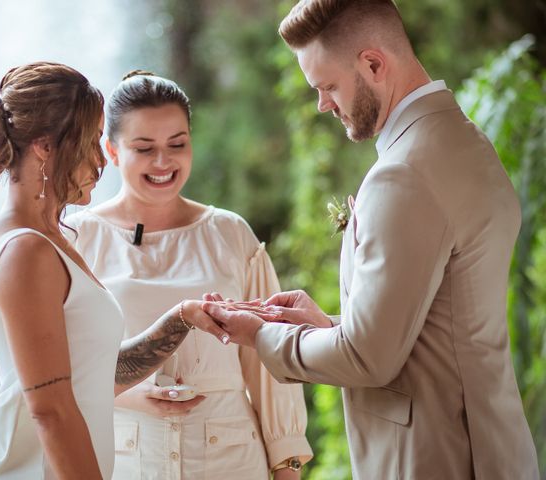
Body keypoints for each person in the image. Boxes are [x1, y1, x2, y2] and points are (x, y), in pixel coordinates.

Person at [202, 1, 540, 479]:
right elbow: (437, 325)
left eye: (328, 86)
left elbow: (367, 358)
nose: (322, 104)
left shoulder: (404, 173)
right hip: (493, 447)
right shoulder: (465, 142)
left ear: (373, 64)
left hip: (434, 456)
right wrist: (325, 326)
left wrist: (261, 335)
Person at [0, 62, 228, 480]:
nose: (102, 160)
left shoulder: (51, 240)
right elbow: (51, 411)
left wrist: (182, 319)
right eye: (92, 142)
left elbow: (95, 374)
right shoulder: (24, 251)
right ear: (44, 146)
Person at [66, 71, 312, 480]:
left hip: (232, 462)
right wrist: (126, 395)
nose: (163, 162)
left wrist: (286, 467)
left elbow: (271, 361)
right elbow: (55, 369)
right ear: (111, 150)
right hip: (126, 461)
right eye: (144, 148)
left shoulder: (231, 234)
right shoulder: (78, 239)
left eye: (177, 144)